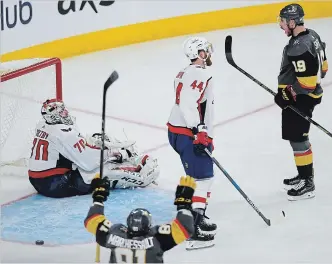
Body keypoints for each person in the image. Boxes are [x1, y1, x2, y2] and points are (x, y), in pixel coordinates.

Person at [28, 98, 159, 198]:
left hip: (37, 181)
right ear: (53, 116)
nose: (65, 112)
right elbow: (88, 163)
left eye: (64, 109)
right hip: (56, 184)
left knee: (93, 140)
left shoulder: (42, 124)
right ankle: (140, 176)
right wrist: (116, 154)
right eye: (61, 111)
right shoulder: (64, 133)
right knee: (100, 171)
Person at [274, 3, 328, 201]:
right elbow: (324, 67)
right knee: (296, 138)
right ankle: (303, 174)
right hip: (305, 97)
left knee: (298, 139)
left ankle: (307, 182)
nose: (280, 25)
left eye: (282, 21)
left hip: (301, 99)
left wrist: (287, 94)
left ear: (292, 21)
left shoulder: (299, 47)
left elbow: (306, 84)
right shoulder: (312, 35)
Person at [166, 36, 216, 250]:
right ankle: (192, 229)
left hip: (179, 131)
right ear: (200, 53)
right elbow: (188, 104)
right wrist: (200, 130)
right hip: (189, 133)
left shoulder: (184, 72)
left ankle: (199, 215)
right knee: (203, 178)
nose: (209, 53)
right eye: (206, 50)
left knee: (200, 177)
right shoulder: (199, 73)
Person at [84, 175, 196, 263]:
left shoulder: (114, 235)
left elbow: (92, 220)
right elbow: (184, 228)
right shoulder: (157, 240)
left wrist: (98, 198)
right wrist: (183, 205)